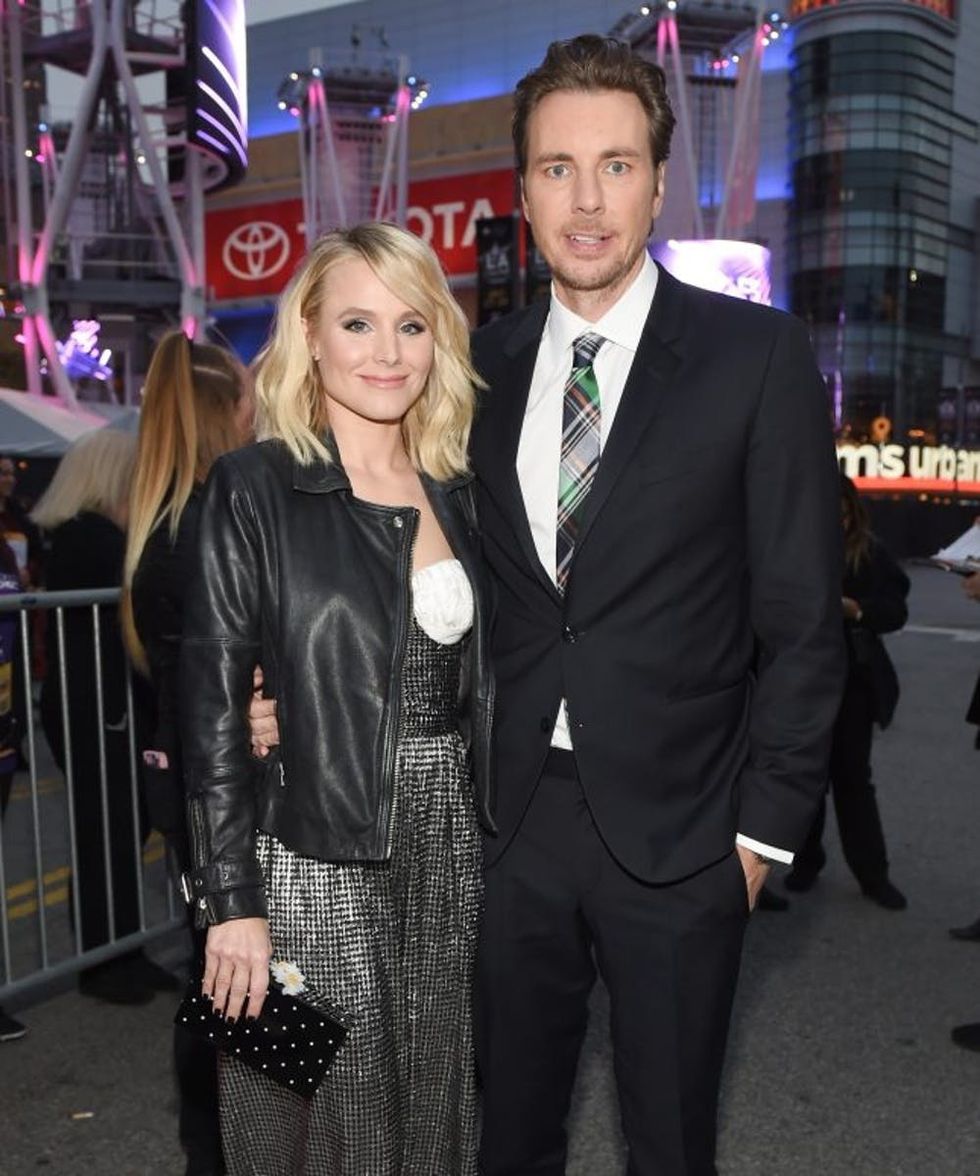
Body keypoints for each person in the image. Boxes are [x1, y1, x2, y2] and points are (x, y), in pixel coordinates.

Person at [466, 35, 843, 1175]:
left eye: (616, 165)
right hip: (511, 818)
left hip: (686, 834)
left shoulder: (755, 356)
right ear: (521, 185)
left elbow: (801, 622)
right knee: (510, 1135)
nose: (586, 201)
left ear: (659, 179)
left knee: (670, 1141)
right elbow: (429, 574)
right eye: (556, 167)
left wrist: (756, 838)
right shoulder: (476, 366)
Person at [178, 223, 493, 1174]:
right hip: (315, 838)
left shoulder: (460, 487)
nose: (387, 352)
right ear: (309, 334)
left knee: (438, 1087)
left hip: (451, 834)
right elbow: (212, 715)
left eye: (412, 324)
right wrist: (231, 900)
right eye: (358, 323)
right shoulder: (253, 489)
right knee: (330, 1103)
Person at [123, 331, 253, 1176]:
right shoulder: (213, 524)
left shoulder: (162, 523)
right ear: (222, 415)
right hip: (225, 784)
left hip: (191, 779)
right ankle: (220, 1150)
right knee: (232, 977)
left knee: (220, 971)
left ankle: (220, 1147)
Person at [31, 429, 161, 1004]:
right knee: (104, 830)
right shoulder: (89, 540)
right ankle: (108, 962)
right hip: (97, 709)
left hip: (105, 705)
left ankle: (122, 951)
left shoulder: (88, 537)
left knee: (120, 827)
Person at [784, 474, 908, 909]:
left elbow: (896, 611)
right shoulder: (791, 546)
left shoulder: (869, 553)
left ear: (851, 511)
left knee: (854, 781)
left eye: (840, 513)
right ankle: (805, 863)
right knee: (806, 780)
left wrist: (857, 610)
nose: (833, 521)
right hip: (801, 680)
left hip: (854, 681)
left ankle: (874, 875)